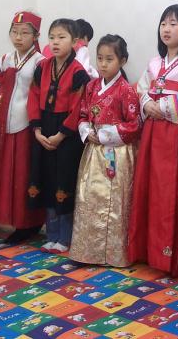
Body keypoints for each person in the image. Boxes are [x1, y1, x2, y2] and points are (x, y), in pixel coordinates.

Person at [128, 4, 178, 276]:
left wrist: (161, 106)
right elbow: (140, 90)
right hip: (154, 136)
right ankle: (148, 251)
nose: (167, 28)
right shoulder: (154, 63)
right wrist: (146, 103)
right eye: (164, 23)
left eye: (174, 23)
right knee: (152, 189)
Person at [0, 11, 46, 244]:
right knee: (6, 171)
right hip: (4, 122)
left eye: (24, 33)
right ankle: (11, 218)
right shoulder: (5, 59)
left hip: (27, 124)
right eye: (14, 32)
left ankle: (28, 222)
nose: (18, 38)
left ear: (36, 36)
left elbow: (41, 93)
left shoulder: (41, 62)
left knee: (24, 173)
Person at [70, 34, 141, 267]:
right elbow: (83, 113)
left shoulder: (126, 91)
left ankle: (113, 254)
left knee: (114, 201)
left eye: (109, 59)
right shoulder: (91, 86)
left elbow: (134, 125)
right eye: (99, 58)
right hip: (93, 151)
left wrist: (104, 135)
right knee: (90, 197)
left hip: (116, 153)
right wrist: (86, 130)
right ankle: (88, 251)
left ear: (122, 61)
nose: (103, 64)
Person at [27, 18, 90, 253]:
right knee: (45, 179)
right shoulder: (42, 67)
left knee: (64, 180)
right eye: (52, 37)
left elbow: (79, 106)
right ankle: (51, 234)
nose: (55, 42)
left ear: (75, 42)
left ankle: (65, 237)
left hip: (67, 135)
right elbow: (33, 97)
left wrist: (61, 135)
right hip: (44, 128)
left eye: (61, 37)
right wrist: (37, 130)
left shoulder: (79, 72)